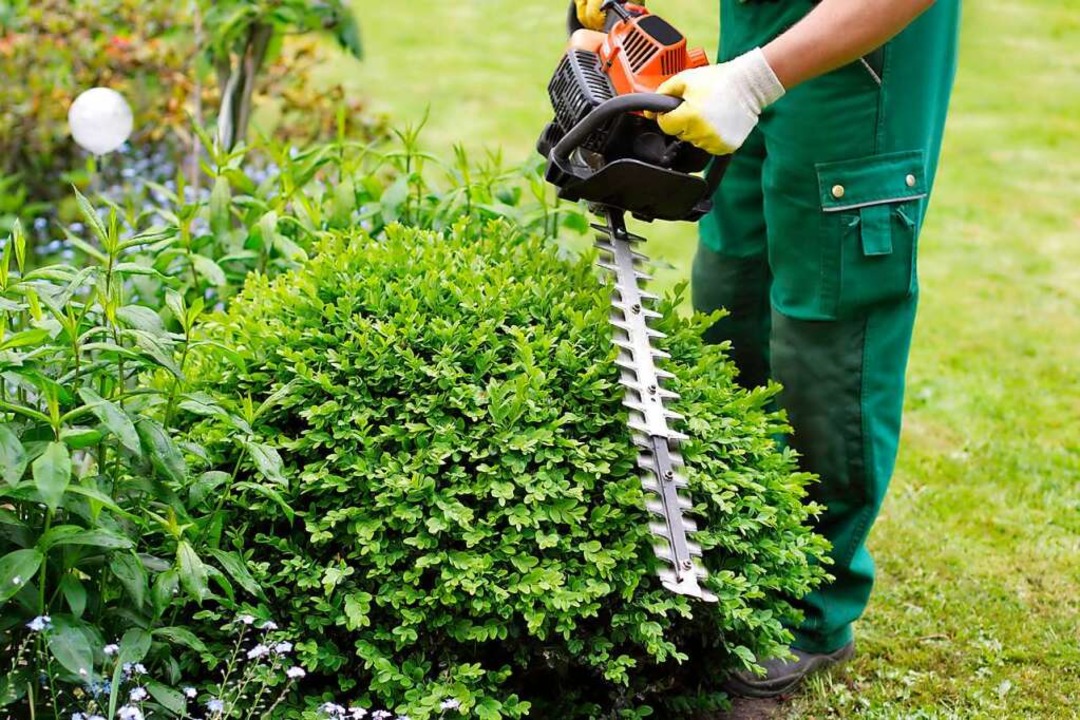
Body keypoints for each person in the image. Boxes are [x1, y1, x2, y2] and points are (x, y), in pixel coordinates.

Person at [576, 0, 960, 699]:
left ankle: (813, 606)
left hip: (865, 53)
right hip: (759, 24)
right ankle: (734, 554)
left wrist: (755, 81)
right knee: (731, 288)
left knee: (828, 326)